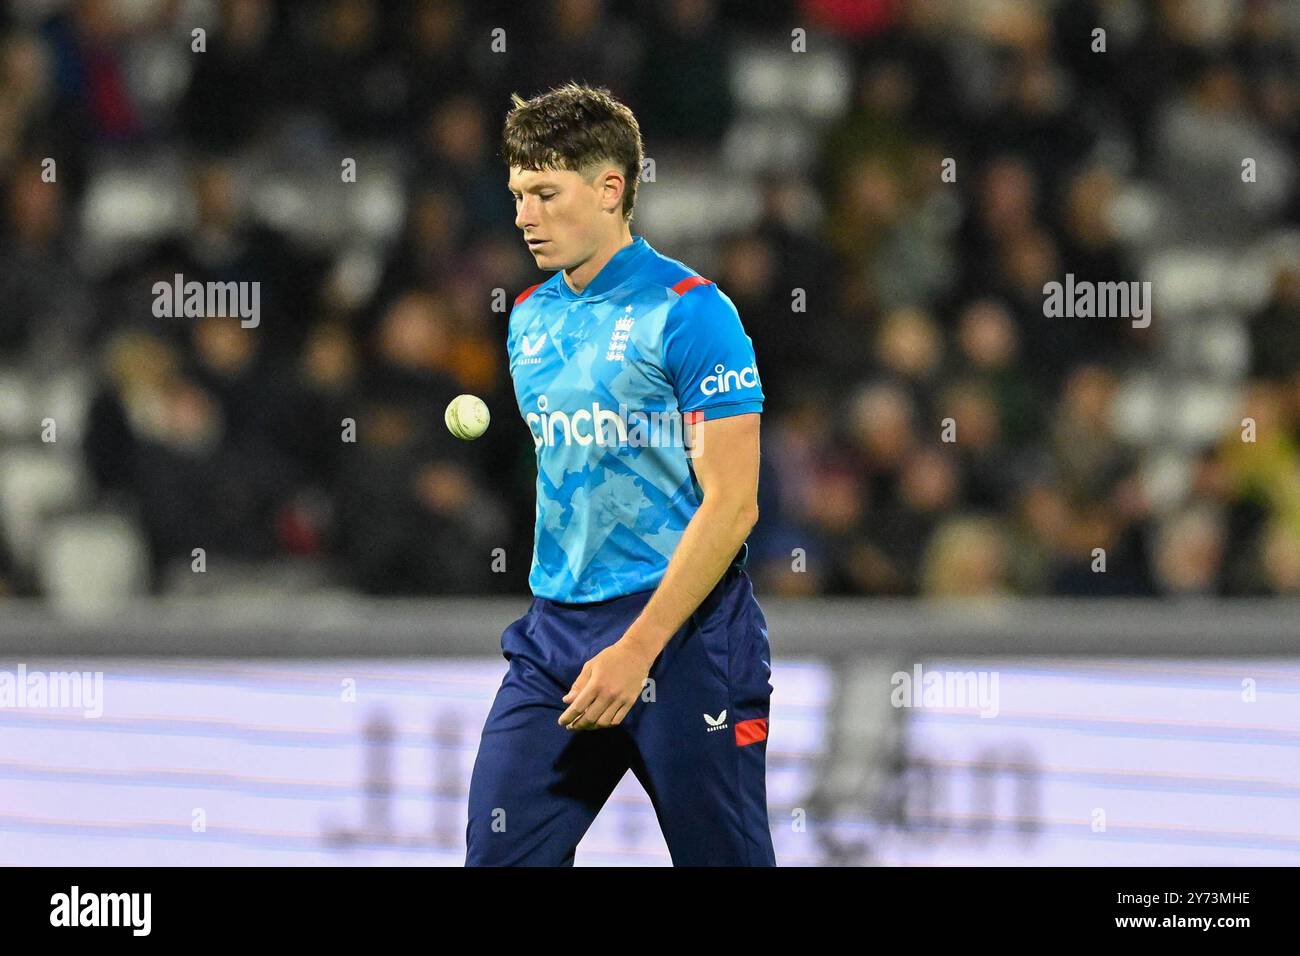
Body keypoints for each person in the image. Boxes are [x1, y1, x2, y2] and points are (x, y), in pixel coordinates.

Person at [465, 83, 775, 866]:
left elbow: (734, 507)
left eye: (544, 193)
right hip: (555, 639)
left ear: (610, 190)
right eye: (516, 195)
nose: (523, 216)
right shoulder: (529, 317)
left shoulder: (693, 313)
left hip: (687, 639)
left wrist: (639, 649)